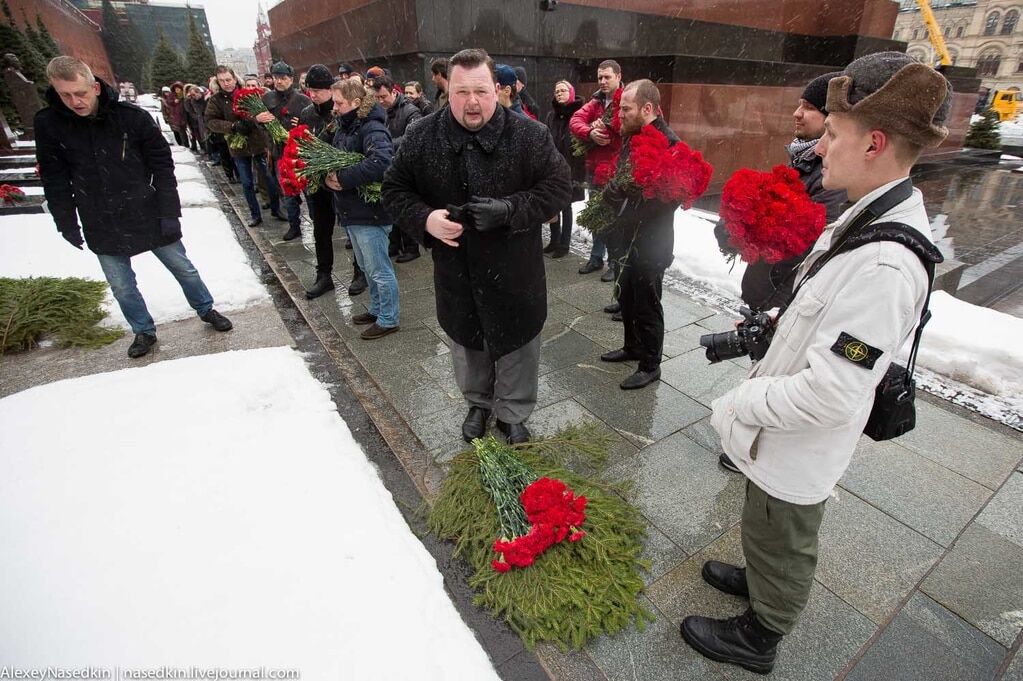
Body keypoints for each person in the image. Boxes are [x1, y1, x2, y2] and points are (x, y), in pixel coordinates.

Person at [680, 52, 950, 675]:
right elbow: (822, 312)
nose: (820, 146)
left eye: (834, 133)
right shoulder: (864, 213)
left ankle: (761, 633)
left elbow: (832, 392)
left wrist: (739, 403)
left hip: (798, 440)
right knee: (766, 522)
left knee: (785, 529)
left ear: (874, 142)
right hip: (782, 434)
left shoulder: (885, 263)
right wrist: (771, 328)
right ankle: (760, 579)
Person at [383, 48, 571, 444]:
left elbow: (558, 190)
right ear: (447, 91)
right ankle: (479, 404)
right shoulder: (421, 135)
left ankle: (513, 411)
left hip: (515, 270)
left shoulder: (530, 135)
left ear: (497, 90)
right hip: (457, 272)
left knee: (519, 344)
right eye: (461, 91)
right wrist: (426, 220)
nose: (472, 102)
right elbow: (394, 189)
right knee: (468, 344)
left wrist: (508, 210)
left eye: (481, 91)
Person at [36, 56, 233, 359]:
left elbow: (162, 165)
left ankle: (206, 308)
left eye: (81, 93)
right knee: (121, 285)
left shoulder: (131, 117)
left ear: (95, 88)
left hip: (146, 209)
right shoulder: (49, 124)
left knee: (184, 269)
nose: (75, 102)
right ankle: (143, 330)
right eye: (66, 95)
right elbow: (55, 177)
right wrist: (66, 222)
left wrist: (169, 212)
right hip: (100, 216)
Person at [716, 72, 849, 474]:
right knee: (762, 364)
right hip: (767, 284)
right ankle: (749, 437)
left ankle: (754, 447)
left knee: (777, 370)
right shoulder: (800, 160)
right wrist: (735, 226)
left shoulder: (830, 179)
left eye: (808, 108)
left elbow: (806, 245)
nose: (797, 113)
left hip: (786, 292)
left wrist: (753, 230)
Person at [597, 80, 684, 390]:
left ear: (647, 109)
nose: (619, 114)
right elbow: (623, 176)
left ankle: (650, 365)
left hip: (651, 242)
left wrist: (626, 203)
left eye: (626, 109)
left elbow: (669, 199)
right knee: (628, 296)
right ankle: (632, 347)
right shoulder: (633, 135)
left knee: (648, 303)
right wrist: (613, 192)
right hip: (628, 236)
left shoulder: (669, 144)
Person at [323, 78, 400, 340]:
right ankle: (378, 309)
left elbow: (382, 162)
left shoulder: (371, 126)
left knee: (379, 269)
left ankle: (389, 318)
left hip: (370, 212)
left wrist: (343, 179)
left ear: (356, 103)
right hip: (353, 210)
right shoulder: (346, 125)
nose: (334, 107)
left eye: (338, 102)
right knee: (368, 268)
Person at [204, 65, 284, 227]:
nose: (226, 83)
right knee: (247, 183)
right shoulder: (216, 100)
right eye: (222, 81)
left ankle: (277, 208)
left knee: (269, 178)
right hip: (238, 146)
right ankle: (255, 214)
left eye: (228, 79)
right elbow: (211, 121)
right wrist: (232, 126)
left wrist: (253, 119)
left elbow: (262, 111)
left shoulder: (247, 92)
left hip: (258, 142)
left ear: (234, 79)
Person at [570, 59, 624, 282]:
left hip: (616, 169)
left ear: (619, 77)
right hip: (595, 168)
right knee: (595, 215)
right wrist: (589, 133)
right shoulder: (596, 100)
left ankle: (615, 262)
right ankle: (596, 257)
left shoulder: (629, 99)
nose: (602, 81)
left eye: (607, 77)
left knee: (613, 219)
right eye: (600, 77)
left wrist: (608, 132)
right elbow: (576, 120)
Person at [298, 64, 343, 299]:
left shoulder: (339, 111)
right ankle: (324, 275)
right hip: (316, 182)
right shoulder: (307, 113)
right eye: (310, 90)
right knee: (321, 230)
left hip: (340, 181)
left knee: (350, 228)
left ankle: (359, 272)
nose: (312, 95)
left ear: (329, 89)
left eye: (317, 90)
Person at [258, 60, 311, 241]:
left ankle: (316, 222)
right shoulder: (267, 99)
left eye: (283, 78)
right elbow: (260, 127)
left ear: (291, 78)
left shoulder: (302, 100)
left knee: (308, 191)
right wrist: (260, 120)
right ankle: (294, 225)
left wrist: (302, 125)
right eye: (276, 78)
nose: (279, 81)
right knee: (288, 192)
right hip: (279, 154)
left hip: (300, 154)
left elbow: (312, 124)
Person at [373, 75, 423, 263]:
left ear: (394, 92)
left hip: (406, 166)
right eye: (376, 98)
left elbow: (412, 137)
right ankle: (394, 244)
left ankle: (411, 247)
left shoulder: (410, 111)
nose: (380, 101)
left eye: (383, 97)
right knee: (390, 205)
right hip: (389, 165)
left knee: (405, 206)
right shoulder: (380, 111)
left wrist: (384, 146)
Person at [543, 79, 585, 258]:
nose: (559, 93)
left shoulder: (578, 115)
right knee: (553, 204)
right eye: (557, 91)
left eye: (563, 90)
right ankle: (554, 240)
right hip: (553, 168)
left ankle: (564, 244)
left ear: (571, 93)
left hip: (571, 168)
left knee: (566, 206)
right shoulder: (550, 116)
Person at [182, 84, 208, 155]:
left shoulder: (205, 97)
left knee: (205, 136)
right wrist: (187, 100)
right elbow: (189, 110)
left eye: (194, 94)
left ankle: (206, 149)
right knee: (199, 135)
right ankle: (205, 149)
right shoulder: (191, 100)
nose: (193, 96)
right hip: (195, 120)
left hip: (204, 120)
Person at [161, 81, 187, 147]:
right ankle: (181, 144)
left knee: (183, 132)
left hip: (183, 116)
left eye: (178, 88)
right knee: (176, 131)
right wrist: (174, 102)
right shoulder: (170, 97)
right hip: (173, 117)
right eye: (176, 89)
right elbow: (165, 108)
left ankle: (185, 144)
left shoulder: (184, 96)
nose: (177, 90)